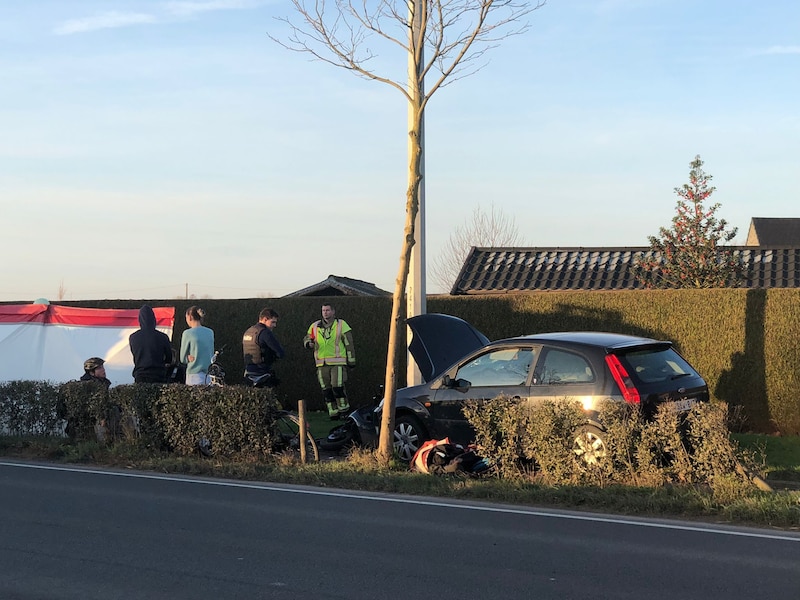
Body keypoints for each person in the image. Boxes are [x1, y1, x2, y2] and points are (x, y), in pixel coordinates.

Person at [303, 303, 356, 419]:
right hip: (321, 363)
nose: (325, 312)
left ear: (333, 312)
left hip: (338, 362)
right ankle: (333, 412)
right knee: (326, 389)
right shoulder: (315, 326)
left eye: (327, 310)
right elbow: (307, 338)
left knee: (337, 386)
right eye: (323, 310)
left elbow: (349, 343)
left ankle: (344, 410)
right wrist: (308, 344)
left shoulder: (342, 324)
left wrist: (351, 361)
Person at [128, 304, 174, 383]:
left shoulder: (133, 337)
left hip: (140, 375)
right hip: (158, 375)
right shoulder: (163, 337)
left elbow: (135, 355)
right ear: (153, 319)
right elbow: (169, 358)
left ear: (140, 319)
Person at [242, 307, 285, 387]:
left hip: (248, 373)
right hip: (262, 374)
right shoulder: (265, 333)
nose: (274, 325)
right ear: (265, 319)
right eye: (272, 322)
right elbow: (280, 353)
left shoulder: (249, 331)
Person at [180, 306, 215, 386]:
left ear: (190, 317)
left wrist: (187, 358)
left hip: (193, 375)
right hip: (208, 375)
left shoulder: (187, 333)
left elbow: (182, 358)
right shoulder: (210, 332)